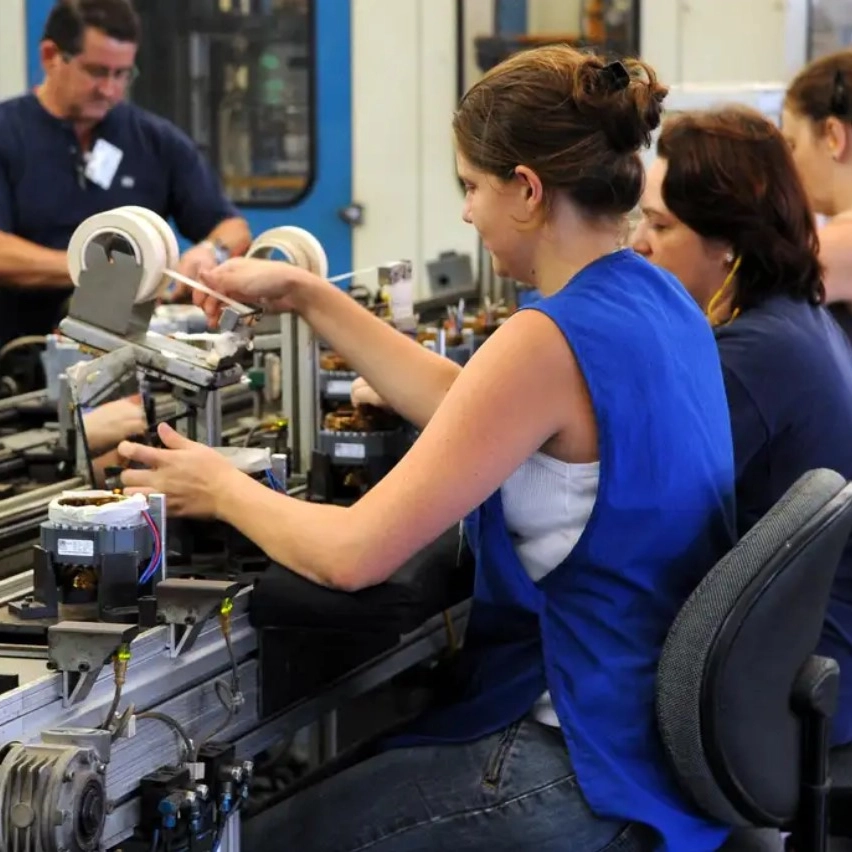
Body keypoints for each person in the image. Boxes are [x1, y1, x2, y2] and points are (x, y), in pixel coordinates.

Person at [118, 45, 737, 852]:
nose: (467, 214)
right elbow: (470, 408)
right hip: (656, 741)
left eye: (472, 188)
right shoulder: (659, 297)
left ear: (526, 189)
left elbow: (353, 556)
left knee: (253, 839)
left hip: (575, 758)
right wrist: (308, 296)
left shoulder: (546, 337)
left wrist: (220, 486)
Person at [632, 105, 852, 746]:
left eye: (660, 224)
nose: (639, 243)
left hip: (798, 681)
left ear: (726, 243)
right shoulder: (793, 314)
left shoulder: (754, 355)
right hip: (816, 654)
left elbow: (642, 511)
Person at [0, 0, 251, 348]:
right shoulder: (8, 133)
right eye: (96, 71)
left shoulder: (155, 140)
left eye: (122, 74)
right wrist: (100, 271)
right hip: (18, 357)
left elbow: (232, 227)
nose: (110, 89)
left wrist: (211, 251)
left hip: (130, 357)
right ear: (50, 56)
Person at [782, 50, 852, 338]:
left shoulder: (842, 244)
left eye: (793, 144)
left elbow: (734, 299)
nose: (787, 163)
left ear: (833, 138)